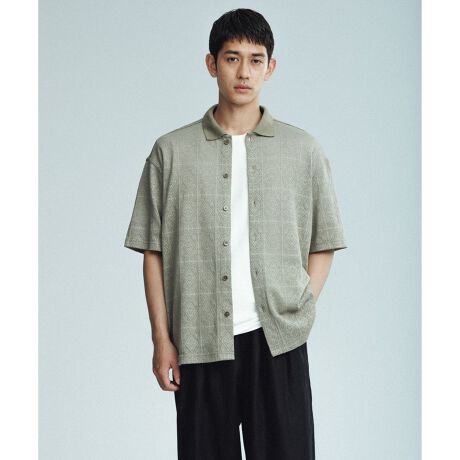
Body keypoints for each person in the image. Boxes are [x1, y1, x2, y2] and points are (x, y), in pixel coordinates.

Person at [124, 8, 348, 460]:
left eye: (255, 59)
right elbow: (153, 251)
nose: (244, 72)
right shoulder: (171, 152)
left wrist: (300, 306)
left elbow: (324, 242)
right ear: (212, 64)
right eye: (232, 58)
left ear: (271, 67)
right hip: (199, 340)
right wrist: (162, 340)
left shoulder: (303, 151)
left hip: (277, 340)